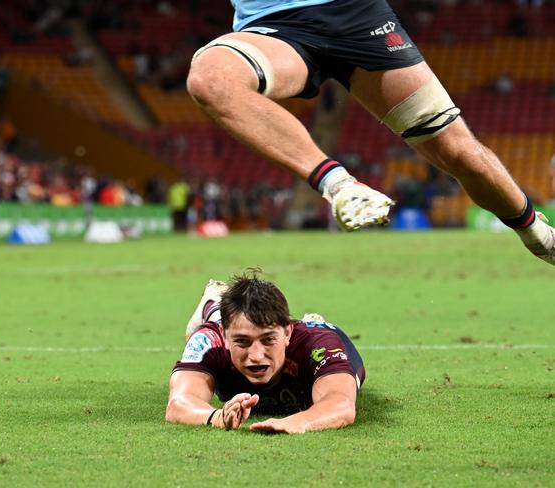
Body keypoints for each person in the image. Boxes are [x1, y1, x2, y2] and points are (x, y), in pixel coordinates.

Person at [186, 0, 555, 265]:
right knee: (211, 78)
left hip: (359, 16)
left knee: (461, 154)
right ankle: (340, 185)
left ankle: (540, 236)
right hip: (273, 30)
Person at [166, 273, 365, 433]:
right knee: (220, 325)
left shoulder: (316, 344)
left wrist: (298, 422)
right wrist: (217, 417)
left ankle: (306, 322)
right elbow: (178, 404)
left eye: (268, 340)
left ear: (287, 333)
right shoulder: (209, 342)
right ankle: (214, 307)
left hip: (315, 338)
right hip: (224, 332)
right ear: (225, 337)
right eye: (242, 342)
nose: (256, 356)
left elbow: (341, 405)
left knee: (312, 334)